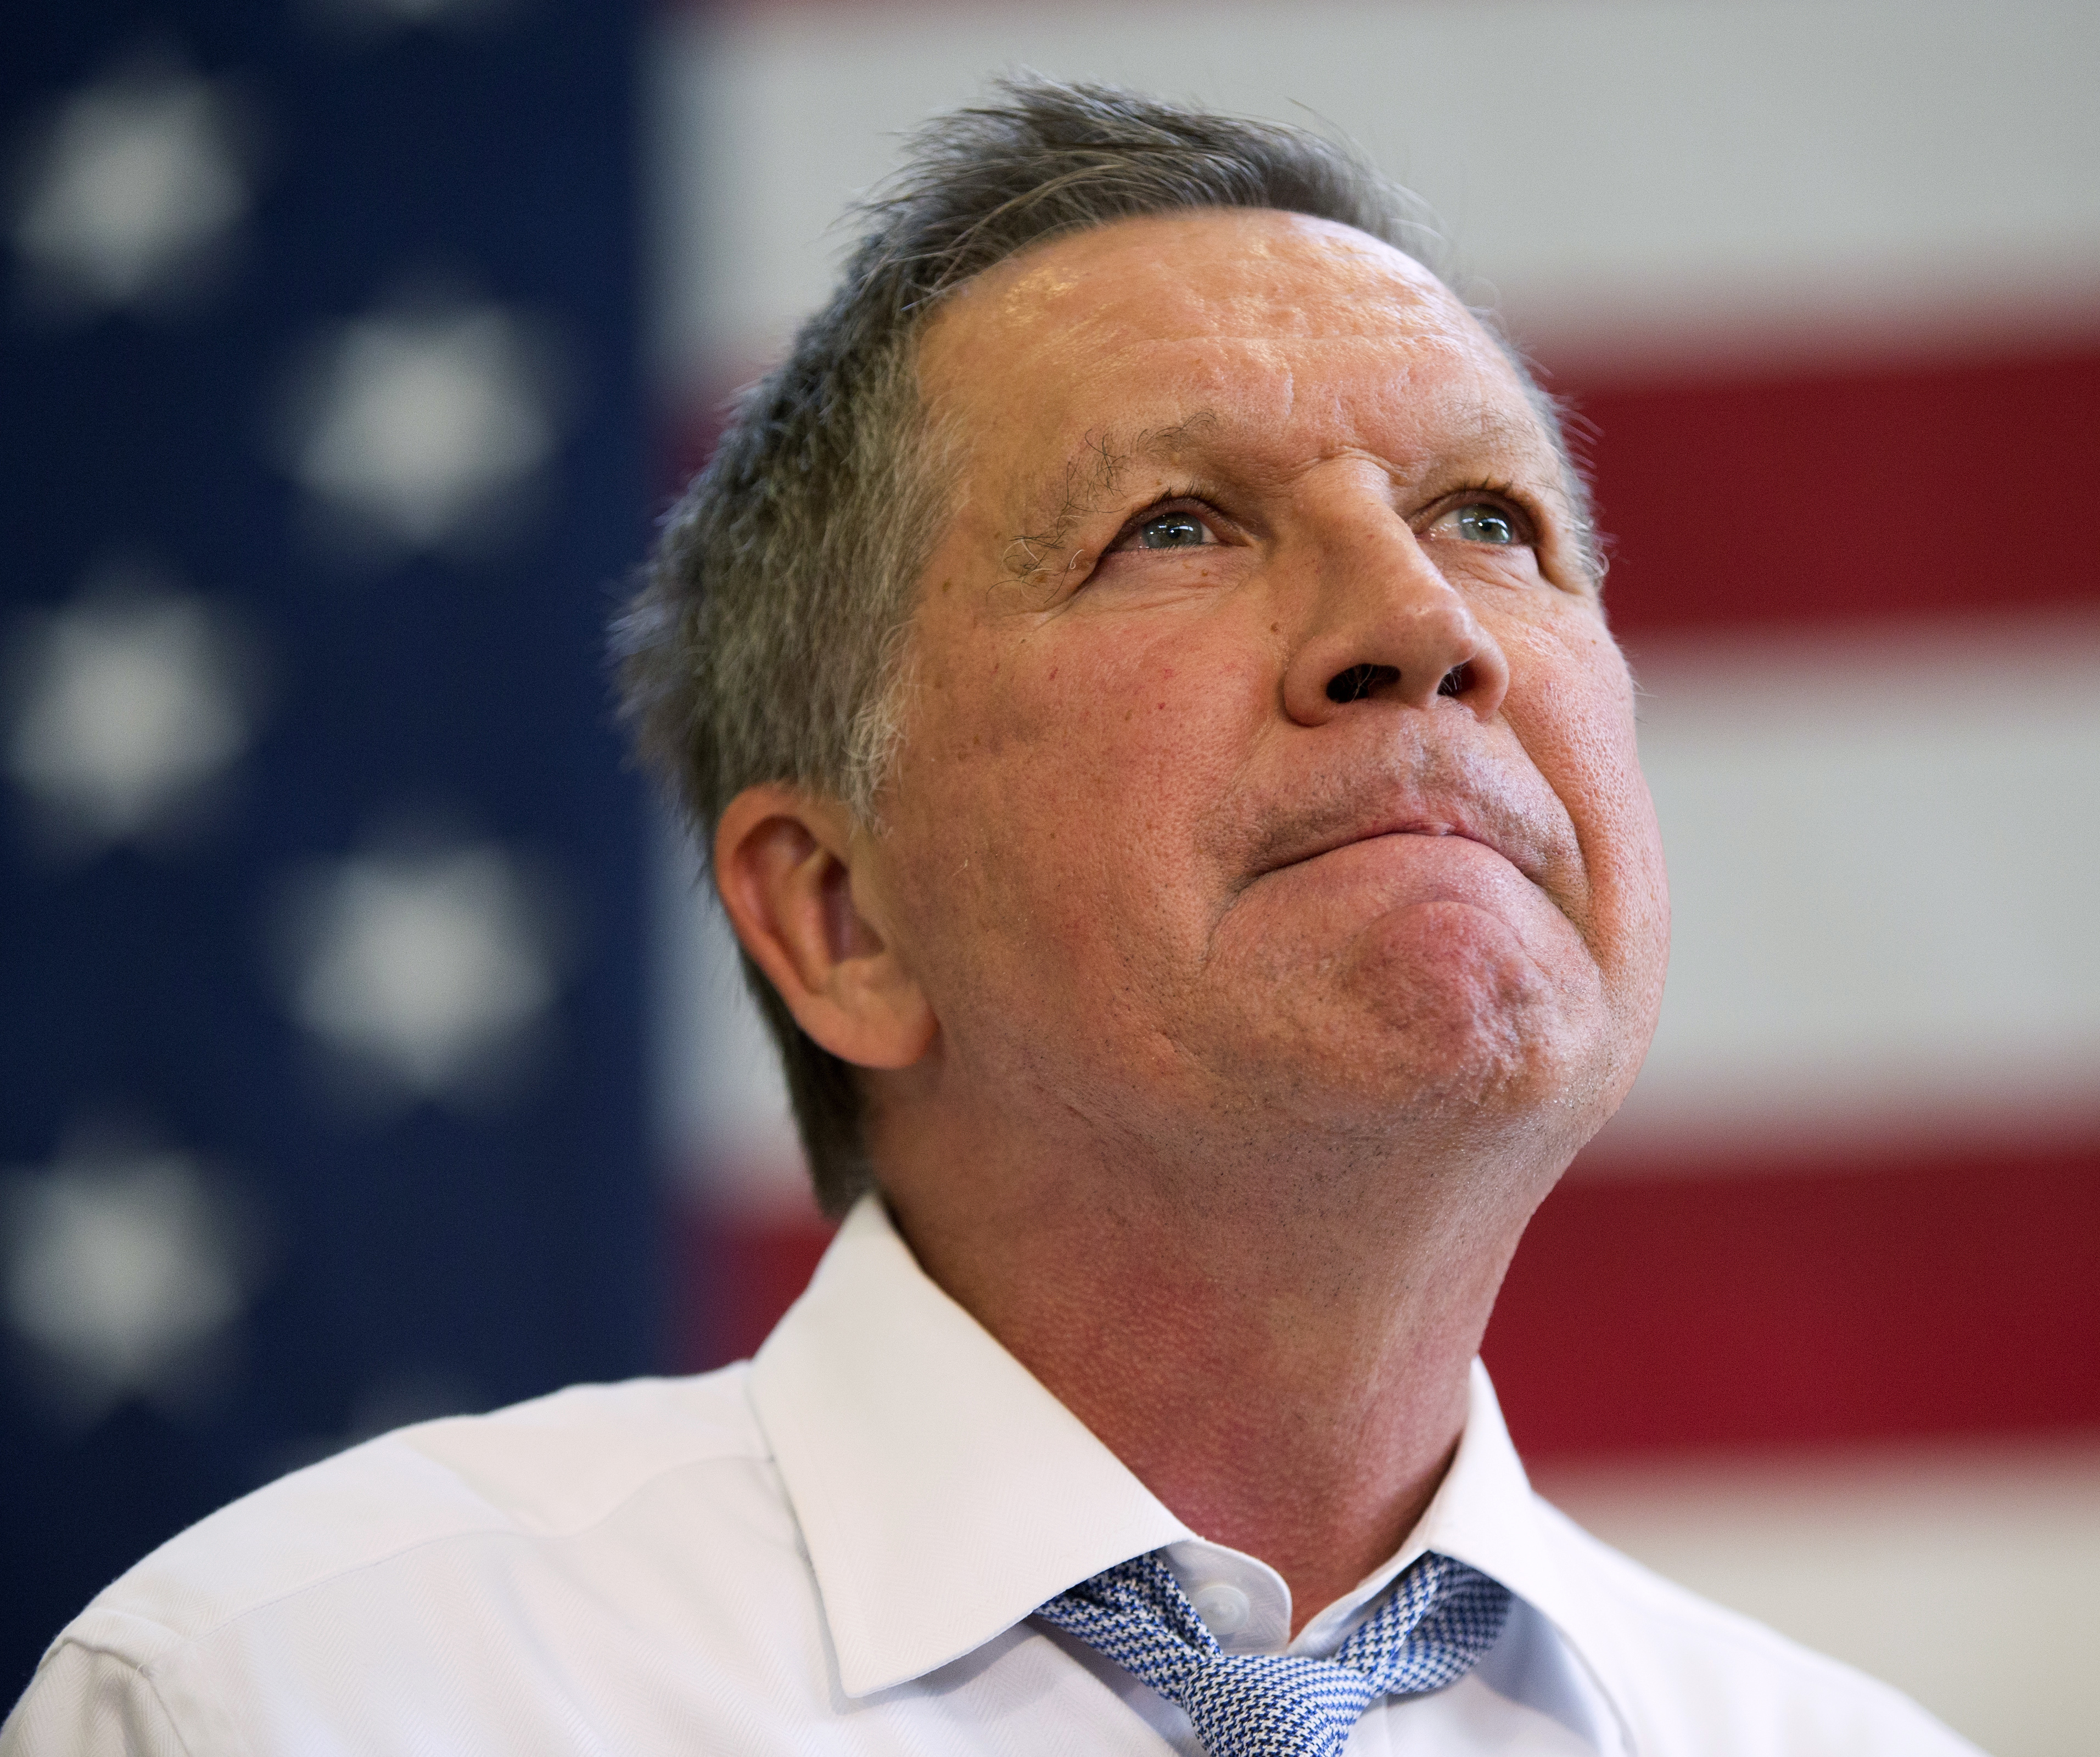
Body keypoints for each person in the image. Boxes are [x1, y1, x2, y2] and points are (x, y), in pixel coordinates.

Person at [5, 81, 1983, 1756]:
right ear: (840, 915)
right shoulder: (305, 1694)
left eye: (1490, 516)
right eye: (1178, 526)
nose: (1425, 628)